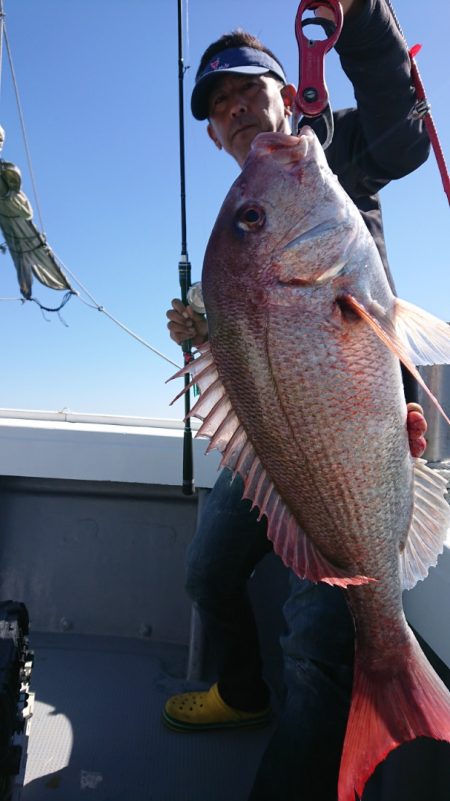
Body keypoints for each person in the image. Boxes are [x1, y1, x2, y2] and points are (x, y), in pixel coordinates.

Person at [164, 2, 429, 798]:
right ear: (212, 136)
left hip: (350, 443)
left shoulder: (336, 147)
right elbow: (260, 333)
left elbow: (406, 133)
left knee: (316, 648)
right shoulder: (248, 213)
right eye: (217, 107)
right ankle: (242, 691)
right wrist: (203, 333)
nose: (234, 110)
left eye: (245, 89)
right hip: (273, 439)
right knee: (207, 572)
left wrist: (362, 20)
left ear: (286, 88)